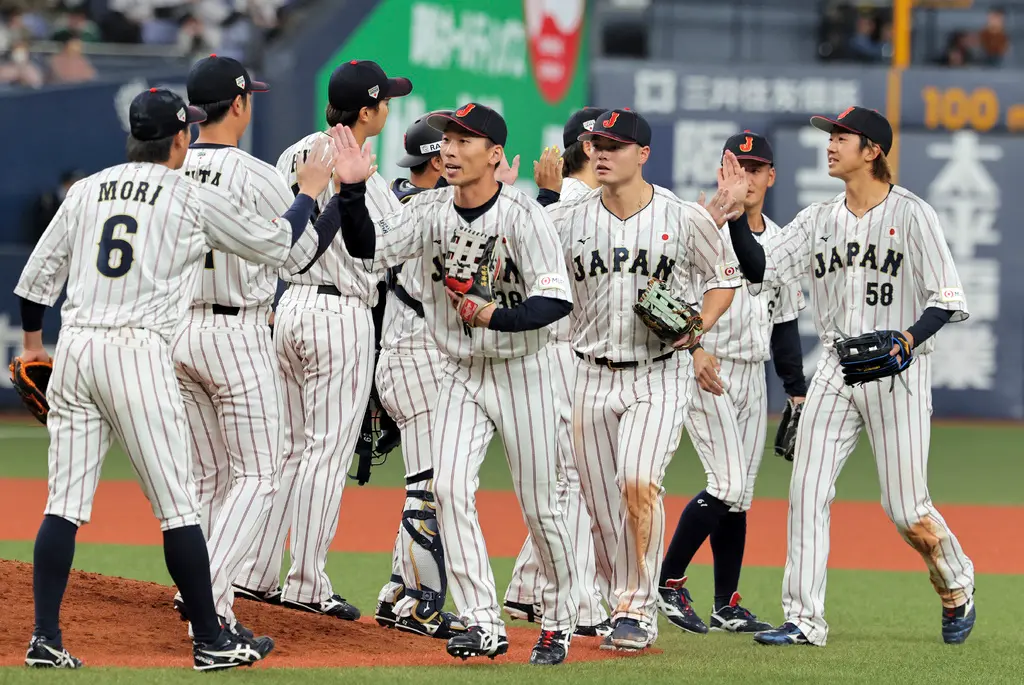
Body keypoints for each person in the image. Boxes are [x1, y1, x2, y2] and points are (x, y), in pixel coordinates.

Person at [16, 87, 339, 670]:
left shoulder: (85, 189)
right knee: (178, 506)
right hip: (137, 353)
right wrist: (311, 192)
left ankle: (45, 639)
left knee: (62, 505)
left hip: (77, 346)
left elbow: (36, 281)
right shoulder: (187, 196)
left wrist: (33, 347)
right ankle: (212, 640)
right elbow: (273, 244)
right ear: (181, 139)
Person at [330, 104, 581, 666]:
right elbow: (368, 248)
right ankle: (483, 621)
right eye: (447, 137)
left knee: (541, 508)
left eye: (465, 139)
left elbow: (556, 298)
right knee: (446, 491)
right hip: (460, 372)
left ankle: (562, 617)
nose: (449, 147)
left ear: (494, 154)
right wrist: (350, 192)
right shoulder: (429, 209)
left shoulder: (523, 215)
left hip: (525, 372)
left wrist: (496, 317)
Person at [719, 106, 976, 647]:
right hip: (837, 367)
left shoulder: (912, 214)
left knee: (906, 508)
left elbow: (947, 298)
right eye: (829, 136)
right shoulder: (818, 219)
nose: (830, 144)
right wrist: (740, 215)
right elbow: (759, 269)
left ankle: (957, 583)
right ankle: (804, 619)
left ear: (873, 150)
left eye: (842, 137)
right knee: (807, 491)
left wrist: (907, 339)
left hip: (897, 370)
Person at [548, 108, 742, 652]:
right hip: (588, 374)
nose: (601, 152)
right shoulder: (567, 218)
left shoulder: (683, 218)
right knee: (601, 505)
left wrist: (697, 327)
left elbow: (725, 280)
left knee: (638, 481)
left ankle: (638, 607)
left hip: (657, 374)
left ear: (644, 154)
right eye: (595, 143)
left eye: (615, 144)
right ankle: (622, 601)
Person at [231, 59, 411, 621]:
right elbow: (394, 247)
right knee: (324, 455)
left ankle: (255, 573)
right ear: (365, 110)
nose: (388, 109)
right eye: (384, 102)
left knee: (285, 450)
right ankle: (307, 582)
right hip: (339, 315)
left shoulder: (292, 153)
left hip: (288, 308)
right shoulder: (365, 175)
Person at [169, 54, 326, 636]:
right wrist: (319, 195)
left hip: (176, 331)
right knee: (259, 474)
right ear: (239, 103)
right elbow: (300, 254)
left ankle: (196, 595)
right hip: (235, 331)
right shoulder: (258, 175)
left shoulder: (172, 169)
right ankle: (210, 605)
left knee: (209, 477)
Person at [657, 131, 806, 636]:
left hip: (752, 373)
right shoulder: (703, 227)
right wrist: (695, 348)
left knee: (740, 497)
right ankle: (668, 580)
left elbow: (784, 321)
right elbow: (668, 298)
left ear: (770, 176)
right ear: (724, 171)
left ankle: (726, 602)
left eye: (755, 167)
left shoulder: (782, 240)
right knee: (727, 484)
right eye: (735, 165)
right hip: (708, 366)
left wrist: (796, 387)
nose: (745, 176)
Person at [504, 106, 612, 638]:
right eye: (606, 143)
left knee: (566, 481)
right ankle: (577, 601)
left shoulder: (554, 204)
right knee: (574, 483)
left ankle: (530, 586)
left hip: (555, 354)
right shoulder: (579, 206)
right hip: (566, 354)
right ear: (590, 149)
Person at [372, 112, 467, 640]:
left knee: (422, 484)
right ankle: (422, 604)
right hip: (420, 359)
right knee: (430, 489)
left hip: (398, 355)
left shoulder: (397, 200)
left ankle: (397, 592)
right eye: (451, 147)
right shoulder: (434, 211)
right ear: (437, 158)